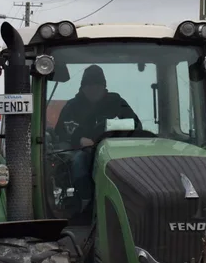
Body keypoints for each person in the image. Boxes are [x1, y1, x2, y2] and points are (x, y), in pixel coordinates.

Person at [54, 65, 141, 200]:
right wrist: (79, 140)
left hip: (115, 152)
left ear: (104, 87)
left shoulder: (117, 103)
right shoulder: (72, 107)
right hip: (84, 151)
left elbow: (135, 125)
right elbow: (60, 134)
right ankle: (85, 199)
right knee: (78, 161)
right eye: (89, 86)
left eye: (97, 86)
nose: (93, 90)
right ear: (83, 88)